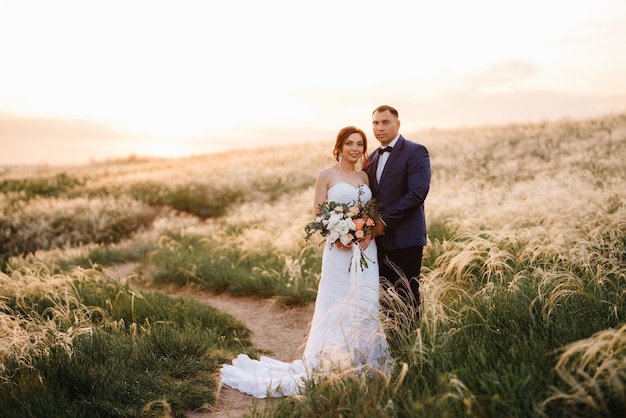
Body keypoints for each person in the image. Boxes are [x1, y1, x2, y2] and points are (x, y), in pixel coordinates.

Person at [219, 126, 392, 398]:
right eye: (350, 143)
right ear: (339, 147)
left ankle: (364, 361)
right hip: (339, 250)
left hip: (365, 250)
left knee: (364, 300)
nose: (355, 149)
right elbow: (317, 212)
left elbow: (370, 211)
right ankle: (330, 361)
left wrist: (366, 230)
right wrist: (338, 234)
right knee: (337, 300)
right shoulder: (326, 175)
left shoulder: (364, 176)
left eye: (360, 144)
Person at [364, 105, 431, 314]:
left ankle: (412, 344)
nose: (379, 127)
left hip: (406, 239)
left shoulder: (415, 151)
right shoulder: (371, 157)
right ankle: (392, 344)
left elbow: (416, 194)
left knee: (407, 296)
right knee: (386, 298)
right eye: (375, 123)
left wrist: (384, 222)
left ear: (397, 124)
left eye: (385, 122)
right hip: (378, 242)